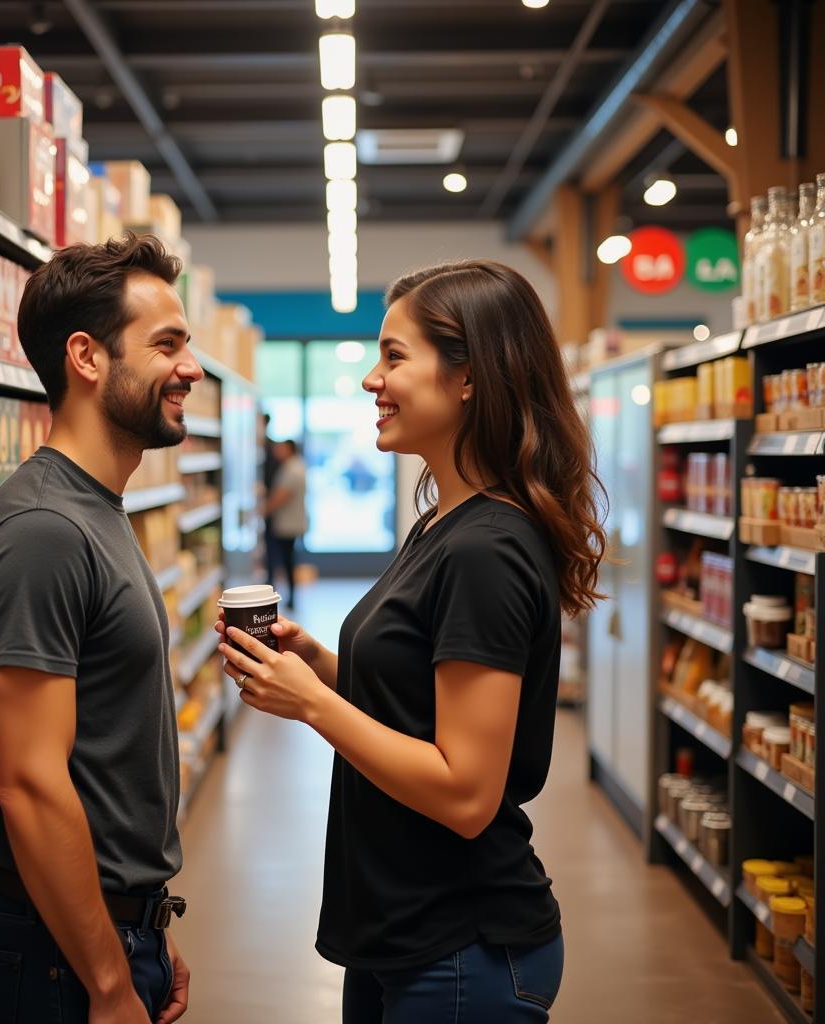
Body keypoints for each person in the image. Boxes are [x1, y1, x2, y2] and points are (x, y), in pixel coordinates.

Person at [217, 260, 606, 1022]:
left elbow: (466, 793)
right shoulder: (442, 523)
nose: (372, 378)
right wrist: (322, 668)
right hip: (404, 934)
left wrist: (314, 710)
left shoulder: (484, 549)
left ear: (468, 377)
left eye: (394, 356)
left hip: (462, 948)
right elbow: (424, 699)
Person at [0, 234, 201, 1024]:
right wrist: (106, 977)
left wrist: (146, 928)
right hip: (51, 959)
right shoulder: (43, 531)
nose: (190, 368)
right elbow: (30, 785)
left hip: (101, 932)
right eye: (166, 344)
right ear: (87, 358)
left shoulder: (96, 510)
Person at [265, 438, 307, 609]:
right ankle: (289, 597)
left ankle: (284, 598)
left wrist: (264, 510)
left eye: (281, 449)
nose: (277, 452)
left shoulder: (292, 469)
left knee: (284, 560)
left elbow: (282, 495)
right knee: (288, 559)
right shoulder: (297, 465)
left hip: (287, 524)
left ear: (289, 449)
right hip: (292, 522)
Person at [261, 411, 281, 592]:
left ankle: (270, 583)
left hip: (270, 509)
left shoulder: (271, 448)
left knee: (273, 548)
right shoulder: (264, 445)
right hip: (264, 507)